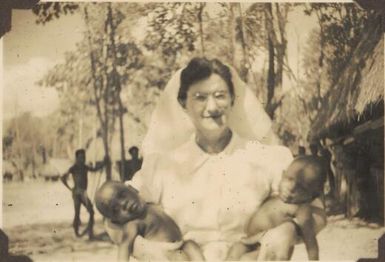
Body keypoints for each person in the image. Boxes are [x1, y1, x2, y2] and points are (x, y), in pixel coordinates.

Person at [106, 57, 327, 260]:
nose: (211, 107)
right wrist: (141, 248)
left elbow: (316, 211)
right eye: (200, 98)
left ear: (232, 100)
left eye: (220, 96)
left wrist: (287, 232)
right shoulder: (162, 165)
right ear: (183, 103)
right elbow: (113, 222)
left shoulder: (266, 157)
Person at [226, 156, 326, 260]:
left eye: (301, 187)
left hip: (268, 248)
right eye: (289, 179)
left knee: (247, 260)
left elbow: (311, 242)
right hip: (248, 241)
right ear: (282, 175)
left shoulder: (302, 209)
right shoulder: (273, 195)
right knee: (234, 253)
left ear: (313, 195)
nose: (292, 188)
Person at [95, 181, 205, 261]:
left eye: (122, 195)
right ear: (117, 221)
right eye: (116, 210)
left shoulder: (151, 205)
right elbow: (124, 247)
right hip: (165, 254)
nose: (123, 204)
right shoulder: (134, 224)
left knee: (191, 245)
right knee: (180, 258)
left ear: (132, 189)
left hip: (180, 244)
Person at [61, 149, 105, 239]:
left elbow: (94, 169)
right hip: (77, 193)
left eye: (84, 157)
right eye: (81, 157)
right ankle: (77, 233)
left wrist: (103, 163)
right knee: (78, 212)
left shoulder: (85, 167)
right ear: (77, 158)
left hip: (83, 193)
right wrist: (70, 188)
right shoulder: (73, 168)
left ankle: (89, 231)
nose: (83, 159)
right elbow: (62, 178)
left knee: (91, 212)